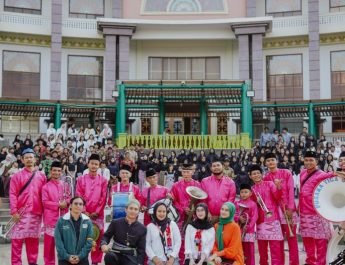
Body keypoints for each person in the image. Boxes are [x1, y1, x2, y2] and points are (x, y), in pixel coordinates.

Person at [299, 151, 345, 265]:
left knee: (320, 242)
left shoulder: (321, 173)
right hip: (304, 213)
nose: (308, 162)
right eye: (306, 160)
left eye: (311, 160)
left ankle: (320, 263)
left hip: (317, 213)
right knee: (307, 240)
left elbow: (333, 174)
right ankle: (310, 261)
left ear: (317, 161)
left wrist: (339, 173)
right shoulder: (302, 173)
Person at [9, 148, 46, 265]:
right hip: (20, 213)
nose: (29, 159)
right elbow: (13, 194)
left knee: (33, 241)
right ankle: (16, 263)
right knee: (17, 241)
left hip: (36, 212)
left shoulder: (42, 176)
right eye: (26, 157)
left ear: (35, 159)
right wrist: (14, 211)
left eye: (31, 157)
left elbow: (44, 195)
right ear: (23, 160)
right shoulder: (16, 176)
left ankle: (32, 262)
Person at [264, 152, 299, 265]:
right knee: (277, 240)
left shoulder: (286, 173)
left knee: (291, 239)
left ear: (277, 161)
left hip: (288, 209)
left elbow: (290, 191)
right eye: (268, 161)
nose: (270, 162)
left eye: (272, 160)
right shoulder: (266, 177)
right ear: (265, 163)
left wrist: (290, 208)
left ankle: (294, 263)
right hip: (275, 212)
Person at [76, 153, 107, 265]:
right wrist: (84, 211)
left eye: (96, 164)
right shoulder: (81, 179)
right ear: (88, 164)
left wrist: (97, 212)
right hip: (83, 214)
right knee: (82, 237)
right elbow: (78, 195)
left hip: (97, 215)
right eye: (92, 163)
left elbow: (103, 197)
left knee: (98, 237)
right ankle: (83, 260)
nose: (94, 166)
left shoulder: (103, 181)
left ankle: (95, 261)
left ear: (99, 166)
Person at [248, 164, 283, 265]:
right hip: (260, 220)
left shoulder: (270, 184)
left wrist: (279, 187)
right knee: (262, 250)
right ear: (250, 176)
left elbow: (277, 197)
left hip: (273, 218)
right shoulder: (252, 189)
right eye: (254, 174)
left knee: (275, 248)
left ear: (262, 174)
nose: (256, 175)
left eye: (258, 173)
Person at [170, 163, 201, 262]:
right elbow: (173, 201)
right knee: (180, 239)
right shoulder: (175, 185)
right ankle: (181, 259)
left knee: (194, 239)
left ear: (192, 172)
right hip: (180, 216)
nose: (186, 174)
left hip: (194, 216)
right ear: (181, 172)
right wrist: (183, 208)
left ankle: (194, 259)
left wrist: (194, 210)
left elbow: (201, 200)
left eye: (188, 171)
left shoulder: (197, 184)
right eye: (184, 172)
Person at [101, 199, 147, 265]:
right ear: (126, 209)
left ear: (138, 212)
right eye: (131, 208)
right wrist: (103, 244)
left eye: (135, 209)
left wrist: (139, 263)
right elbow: (106, 236)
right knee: (109, 256)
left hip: (130, 257)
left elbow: (141, 250)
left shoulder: (142, 228)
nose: (133, 211)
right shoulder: (115, 223)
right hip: (115, 253)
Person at [42, 161, 71, 265]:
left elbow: (69, 198)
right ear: (50, 171)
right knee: (49, 247)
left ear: (62, 172)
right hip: (50, 220)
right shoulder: (45, 187)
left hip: (64, 219)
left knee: (64, 246)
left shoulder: (66, 185)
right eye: (54, 170)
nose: (56, 172)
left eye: (59, 171)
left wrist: (67, 202)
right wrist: (58, 205)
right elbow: (45, 202)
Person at [54, 196, 93, 265]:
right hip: (64, 259)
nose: (78, 206)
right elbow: (58, 242)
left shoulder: (88, 221)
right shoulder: (61, 221)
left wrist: (80, 256)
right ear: (70, 206)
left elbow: (89, 242)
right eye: (76, 203)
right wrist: (67, 256)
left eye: (80, 204)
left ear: (83, 207)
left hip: (82, 259)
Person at [234, 184, 258, 265]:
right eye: (242, 192)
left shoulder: (253, 204)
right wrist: (238, 218)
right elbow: (233, 214)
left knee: (250, 252)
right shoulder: (236, 203)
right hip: (238, 231)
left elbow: (255, 217)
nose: (244, 194)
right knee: (239, 252)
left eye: (246, 192)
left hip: (248, 232)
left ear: (250, 193)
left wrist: (248, 226)